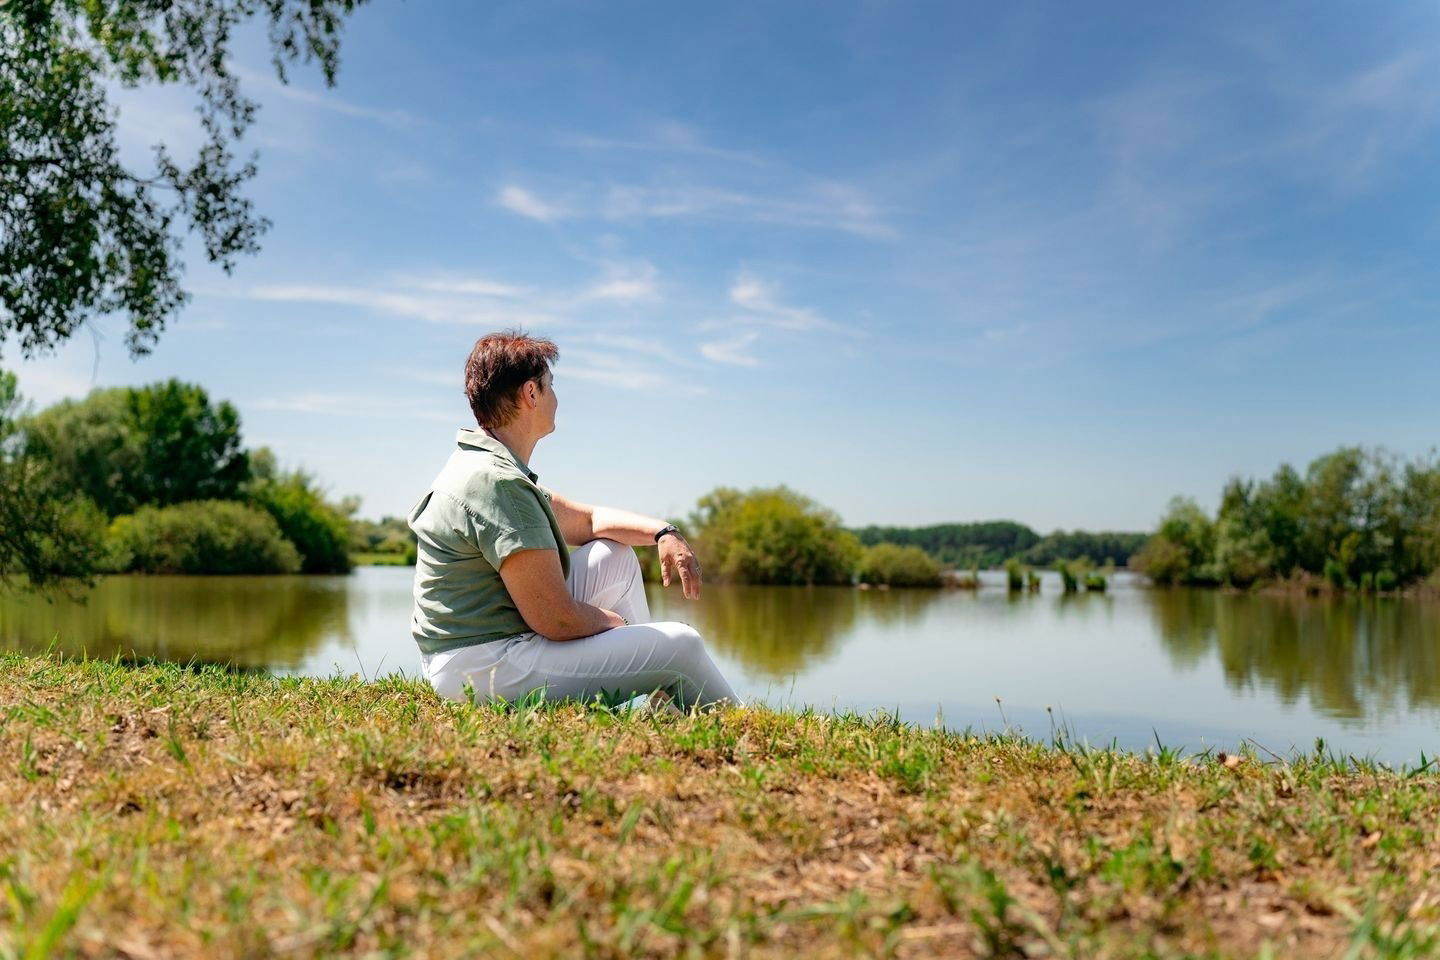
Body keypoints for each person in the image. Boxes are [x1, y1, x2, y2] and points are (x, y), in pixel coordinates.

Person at [407, 330, 740, 711]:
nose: (556, 397)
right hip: (485, 666)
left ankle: (663, 711)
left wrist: (664, 532)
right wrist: (612, 623)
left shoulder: (487, 467)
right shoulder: (498, 484)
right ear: (531, 394)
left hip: (474, 654)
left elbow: (589, 520)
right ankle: (740, 734)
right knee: (681, 645)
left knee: (614, 557)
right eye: (550, 386)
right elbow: (555, 619)